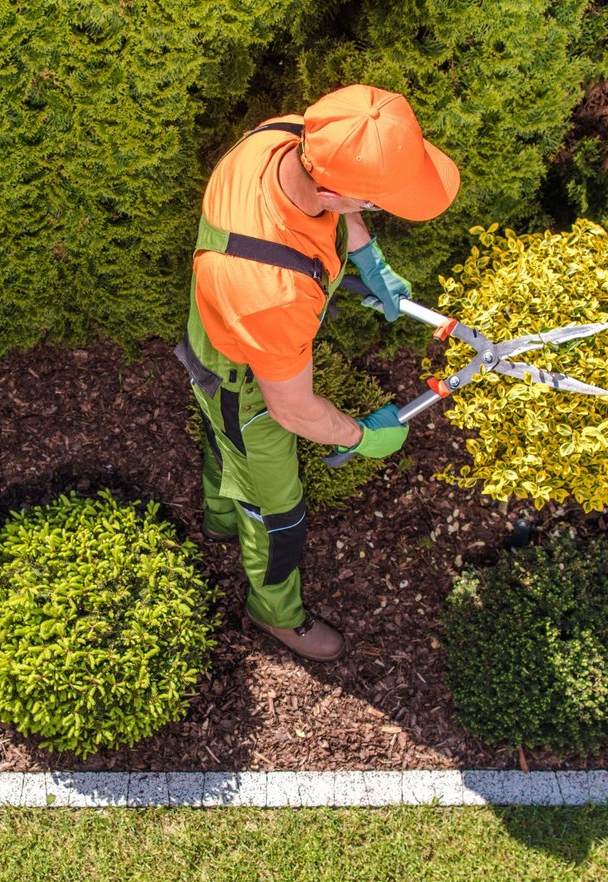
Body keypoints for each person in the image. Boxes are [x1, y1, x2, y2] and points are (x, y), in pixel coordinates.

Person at [174, 84, 459, 662]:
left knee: (220, 441)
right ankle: (275, 612)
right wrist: (364, 433)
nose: (372, 213)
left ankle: (217, 516)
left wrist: (369, 259)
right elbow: (294, 411)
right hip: (243, 381)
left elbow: (337, 202)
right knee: (277, 509)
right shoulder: (272, 294)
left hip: (216, 329)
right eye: (375, 203)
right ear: (332, 190)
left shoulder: (284, 137)